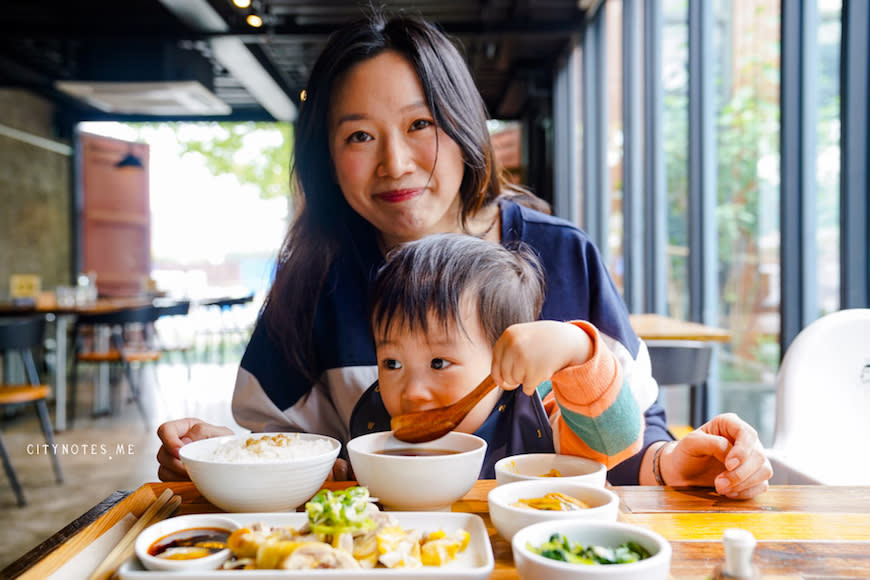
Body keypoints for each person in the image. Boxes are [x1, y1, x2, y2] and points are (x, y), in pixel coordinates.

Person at [157, 11, 772, 499]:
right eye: (359, 136)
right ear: (327, 156)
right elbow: (283, 447)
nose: (394, 163)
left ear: (461, 122)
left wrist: (675, 464)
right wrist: (220, 457)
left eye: (420, 124)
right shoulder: (317, 279)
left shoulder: (560, 255)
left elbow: (629, 434)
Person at [351, 233, 645, 478]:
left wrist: (577, 348)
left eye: (439, 363)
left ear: (505, 357)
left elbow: (615, 441)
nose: (412, 392)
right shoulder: (376, 428)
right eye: (392, 363)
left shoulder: (539, 410)